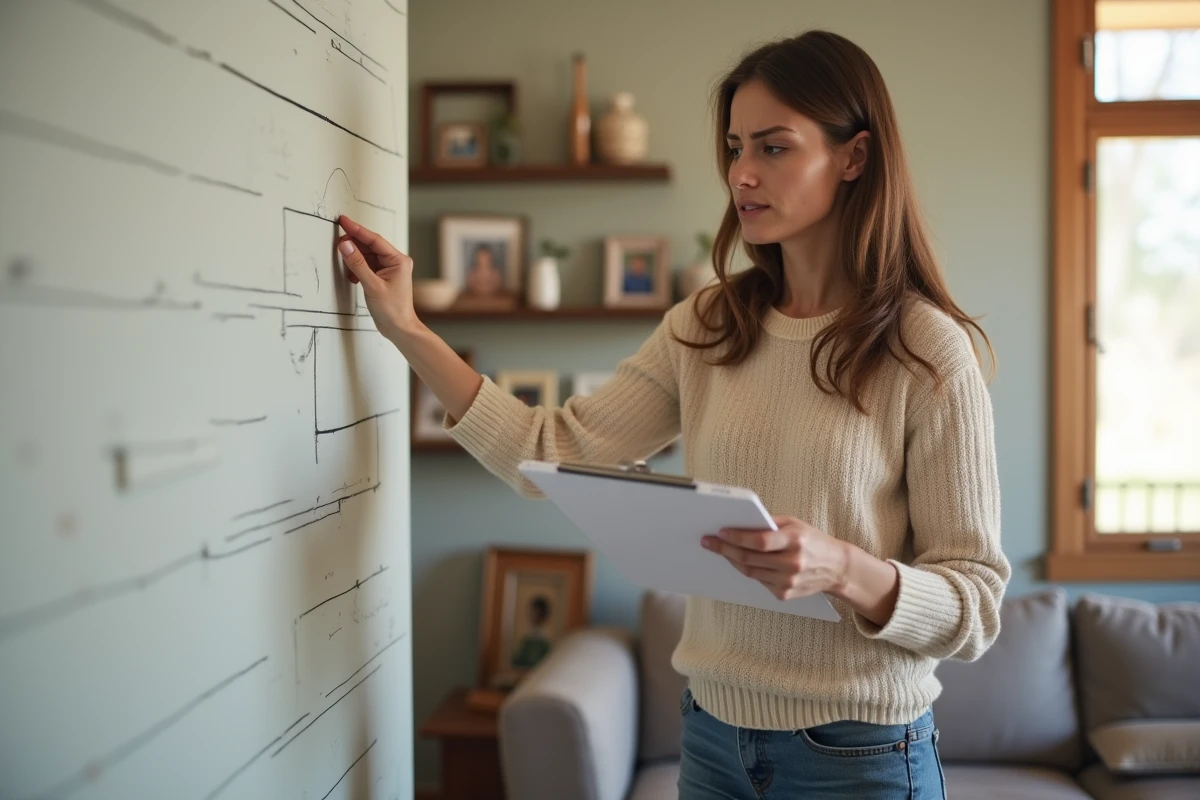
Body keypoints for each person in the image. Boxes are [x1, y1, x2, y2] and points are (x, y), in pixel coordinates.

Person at [335, 29, 1010, 800]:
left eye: (774, 147)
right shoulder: (707, 326)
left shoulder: (926, 351)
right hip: (712, 744)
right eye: (733, 147)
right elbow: (549, 449)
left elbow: (976, 606)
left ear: (854, 157)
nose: (742, 174)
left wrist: (844, 569)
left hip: (861, 759)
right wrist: (409, 330)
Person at [510, 594, 553, 669]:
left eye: (535, 613)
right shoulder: (527, 638)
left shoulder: (546, 641)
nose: (532, 616)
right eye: (531, 612)